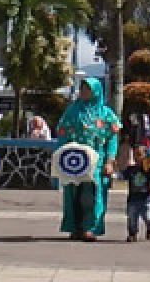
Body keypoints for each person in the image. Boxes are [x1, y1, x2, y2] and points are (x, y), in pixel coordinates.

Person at [55, 78, 121, 241]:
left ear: (96, 91)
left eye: (88, 89)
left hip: (96, 163)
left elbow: (112, 138)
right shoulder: (72, 110)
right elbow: (62, 132)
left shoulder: (105, 114)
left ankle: (91, 228)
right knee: (73, 193)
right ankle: (75, 226)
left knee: (93, 194)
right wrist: (63, 154)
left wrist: (109, 161)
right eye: (82, 89)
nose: (84, 92)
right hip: (73, 161)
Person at [122, 143, 150, 242]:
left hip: (146, 198)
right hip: (133, 198)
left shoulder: (149, 168)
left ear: (145, 155)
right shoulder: (131, 169)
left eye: (139, 155)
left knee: (148, 216)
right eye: (135, 155)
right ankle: (132, 234)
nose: (137, 157)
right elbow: (122, 175)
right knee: (132, 217)